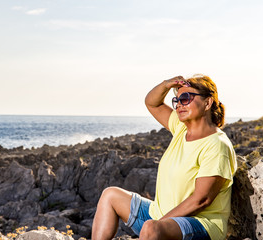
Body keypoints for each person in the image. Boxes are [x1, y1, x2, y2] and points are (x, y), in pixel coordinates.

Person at [91, 74, 237, 240]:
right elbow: (152, 102)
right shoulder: (181, 129)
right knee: (110, 195)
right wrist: (166, 84)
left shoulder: (216, 145)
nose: (179, 105)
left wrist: (157, 224)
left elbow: (201, 200)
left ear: (207, 102)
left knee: (151, 229)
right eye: (177, 101)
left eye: (186, 98)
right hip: (160, 217)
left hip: (200, 225)